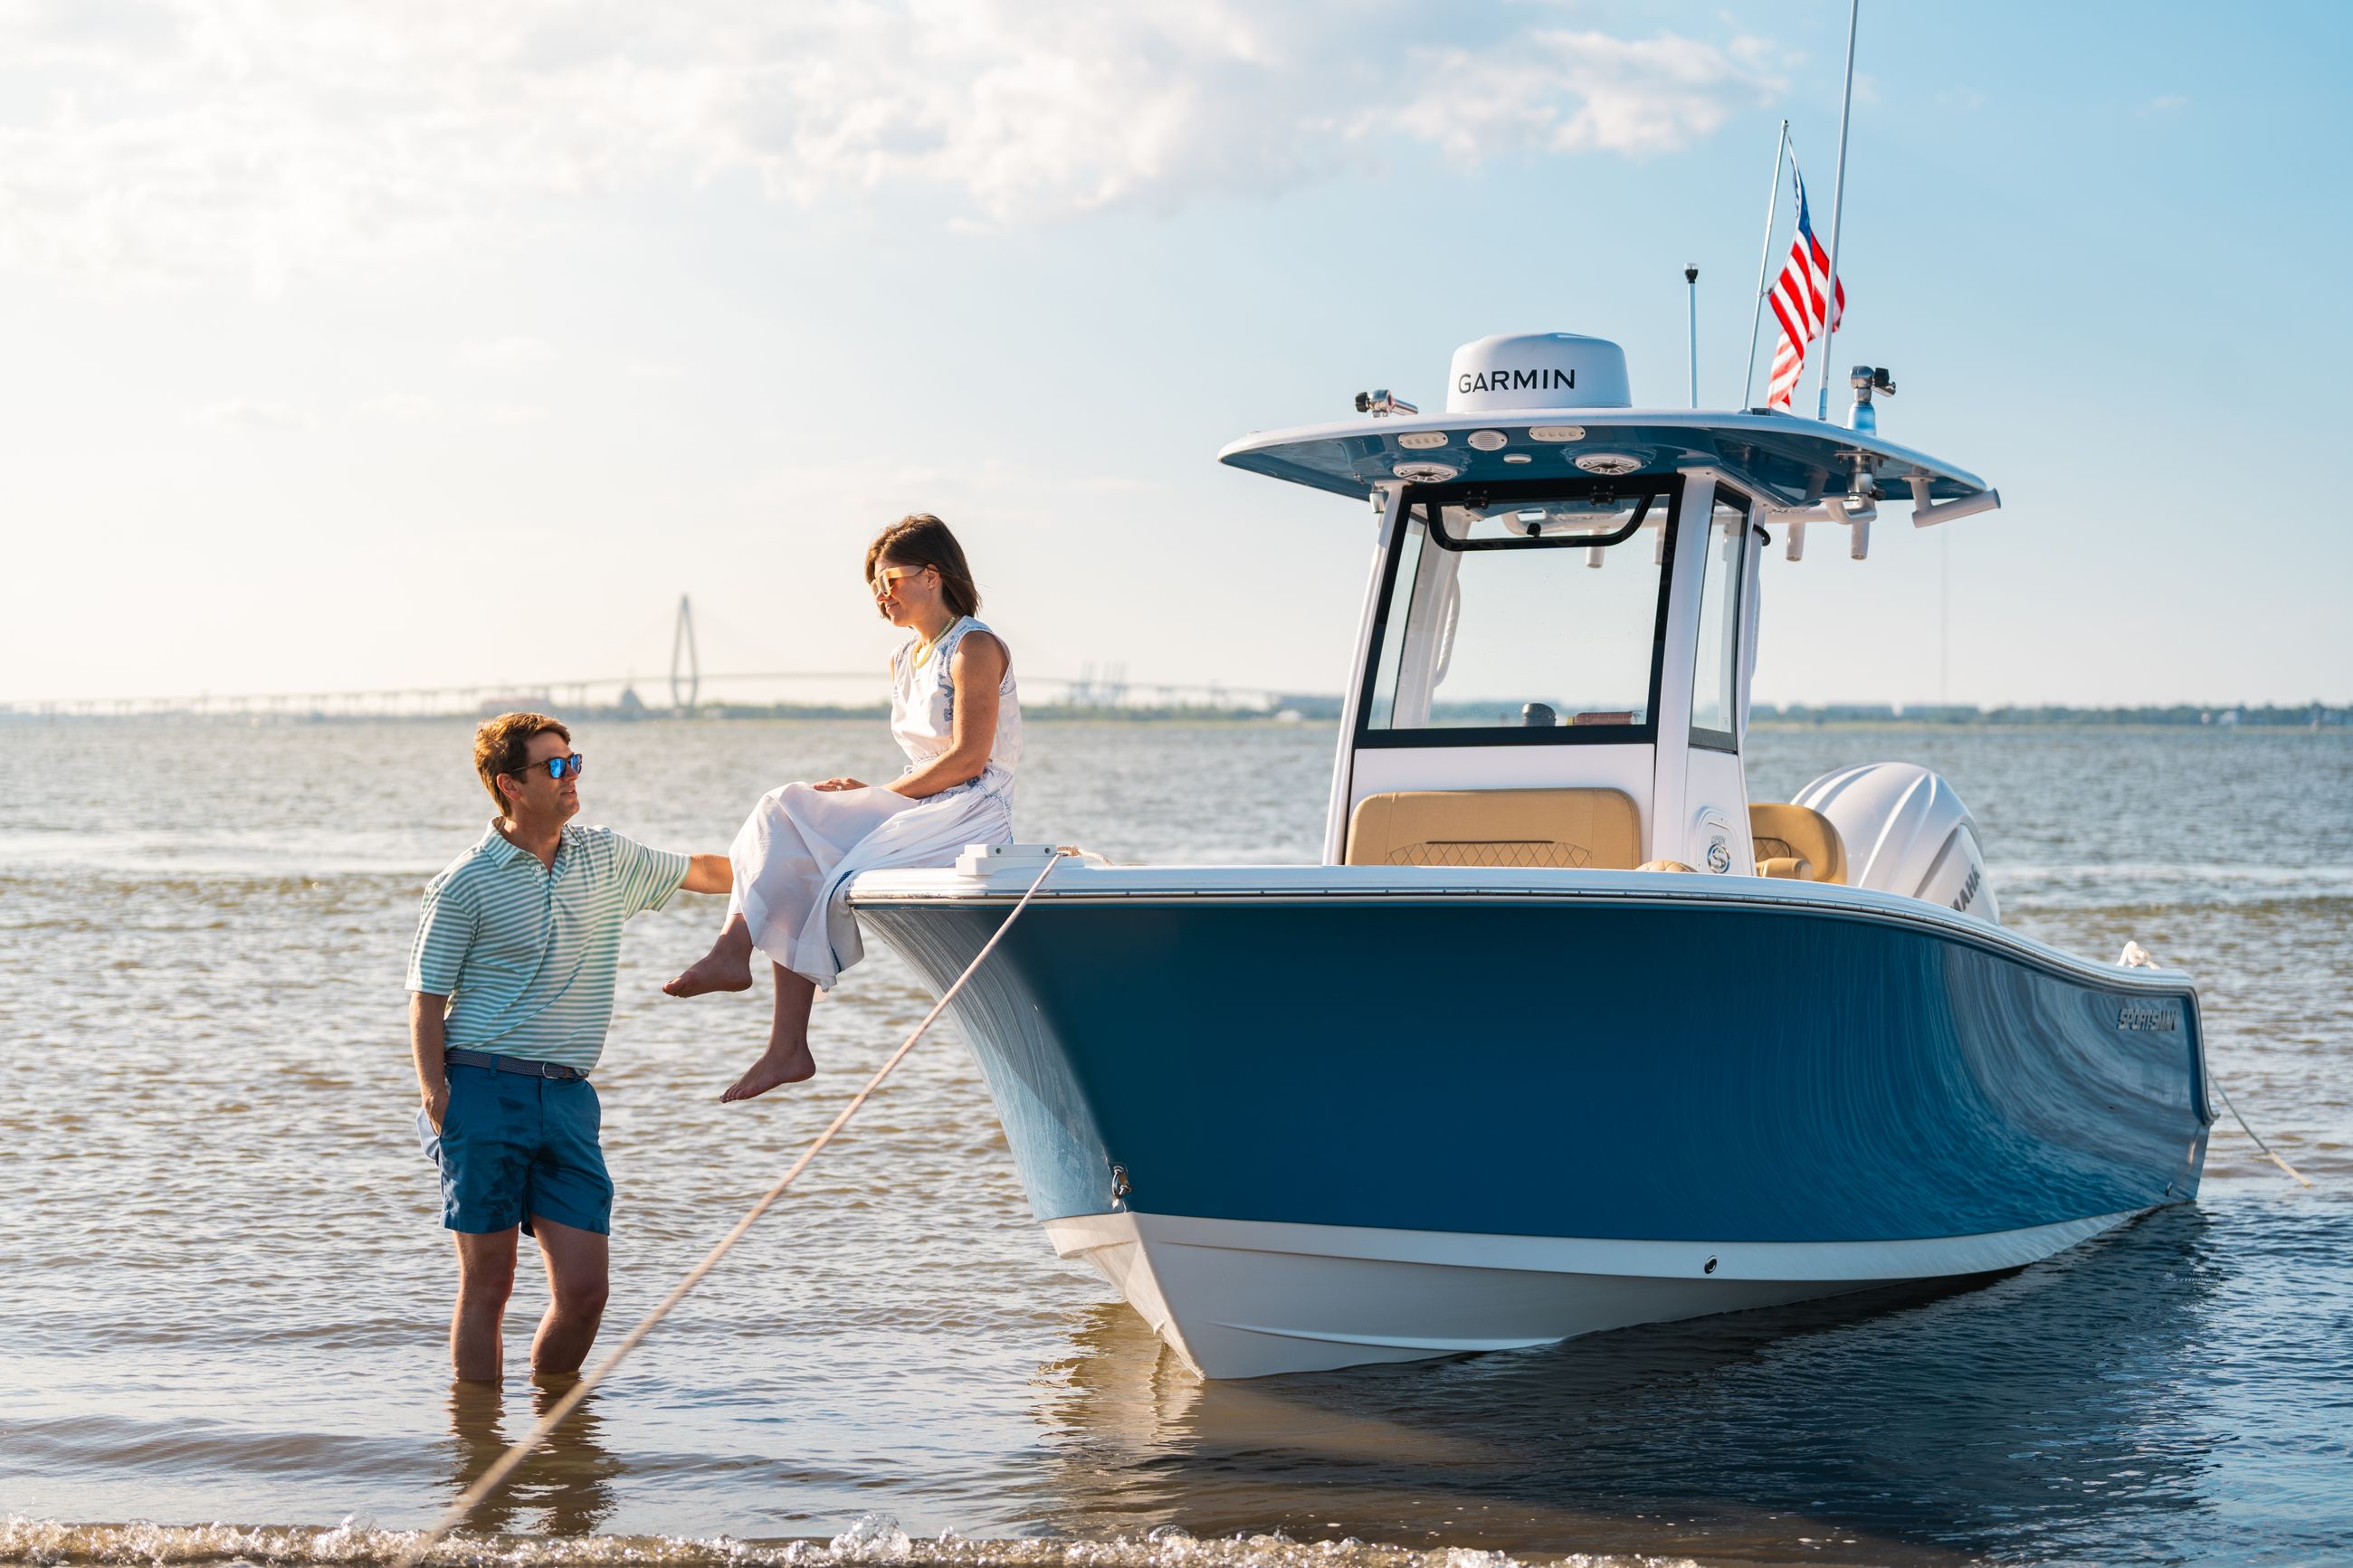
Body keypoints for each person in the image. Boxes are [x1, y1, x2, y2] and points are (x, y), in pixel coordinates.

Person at [408, 712, 732, 1383]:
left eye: (573, 759)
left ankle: (552, 1428)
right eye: (554, 766)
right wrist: (437, 1095)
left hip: (568, 1096)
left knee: (586, 1292)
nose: (572, 775)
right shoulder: (465, 881)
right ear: (511, 785)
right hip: (482, 1087)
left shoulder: (605, 856)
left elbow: (705, 871)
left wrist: (802, 851)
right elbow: (426, 998)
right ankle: (480, 1448)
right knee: (489, 1286)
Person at [665, 513, 1021, 1101]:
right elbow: (926, 761)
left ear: (932, 575)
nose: (881, 596)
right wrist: (873, 791)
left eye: (890, 581)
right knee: (792, 824)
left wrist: (877, 797)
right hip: (926, 800)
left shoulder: (974, 646)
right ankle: (787, 1044)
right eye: (874, 588)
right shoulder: (903, 658)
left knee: (787, 809)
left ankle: (737, 958)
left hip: (972, 811)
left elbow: (969, 760)